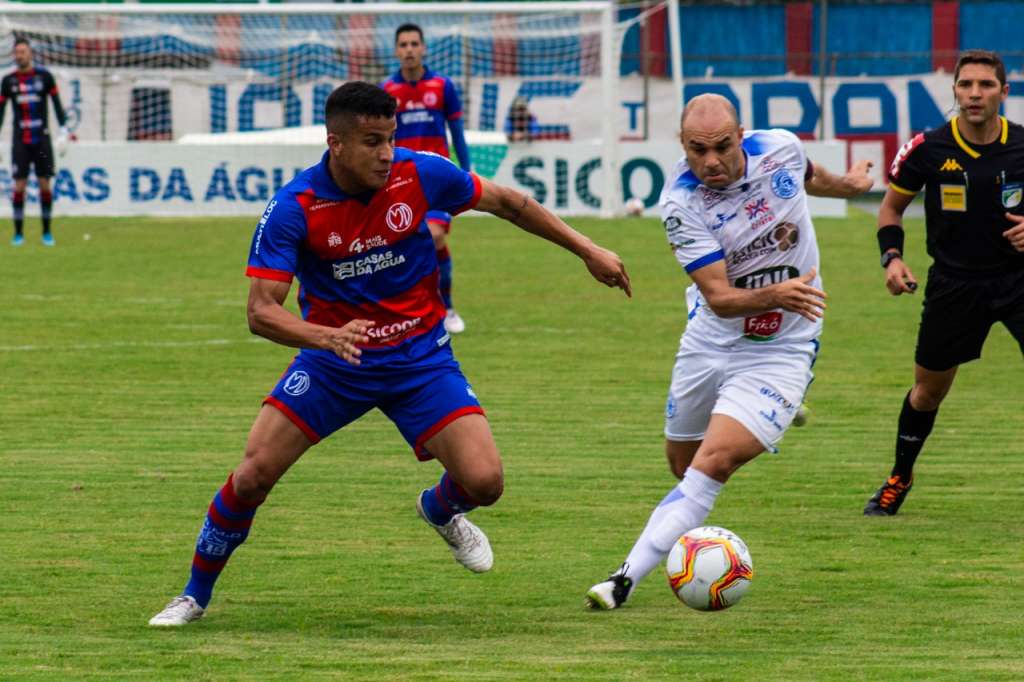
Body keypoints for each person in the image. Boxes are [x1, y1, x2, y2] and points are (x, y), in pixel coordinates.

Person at [148, 81, 630, 626]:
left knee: (486, 483)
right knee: (254, 474)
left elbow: (508, 203)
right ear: (336, 143)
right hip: (335, 365)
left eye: (390, 139)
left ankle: (440, 509)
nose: (385, 154)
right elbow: (261, 311)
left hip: (419, 360)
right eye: (372, 141)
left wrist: (587, 248)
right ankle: (193, 594)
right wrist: (324, 337)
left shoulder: (420, 173)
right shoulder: (294, 207)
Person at [585, 94, 873, 610]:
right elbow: (719, 300)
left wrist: (848, 186)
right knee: (682, 461)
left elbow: (809, 175)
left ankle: (621, 579)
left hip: (782, 345)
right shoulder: (680, 203)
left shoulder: (781, 147)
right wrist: (777, 293)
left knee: (712, 464)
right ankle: (772, 408)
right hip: (711, 339)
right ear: (682, 145)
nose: (711, 161)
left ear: (741, 134)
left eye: (721, 146)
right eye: (698, 150)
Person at [863, 49, 1024, 516]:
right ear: (954, 90)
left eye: (986, 85)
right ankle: (899, 477)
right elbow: (890, 209)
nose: (975, 94)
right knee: (928, 391)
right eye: (966, 85)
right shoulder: (928, 148)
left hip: (1017, 280)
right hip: (954, 284)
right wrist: (891, 259)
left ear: (1004, 92)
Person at [382, 23, 471, 334]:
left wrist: (466, 170)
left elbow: (457, 133)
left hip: (438, 179)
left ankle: (446, 308)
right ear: (396, 50)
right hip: (401, 180)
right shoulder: (387, 91)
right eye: (403, 44)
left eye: (413, 44)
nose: (408, 49)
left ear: (423, 48)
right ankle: (412, 311)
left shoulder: (442, 86)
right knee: (405, 246)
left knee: (434, 236)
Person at [0, 37, 71, 247]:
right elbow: (1, 112)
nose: (20, 55)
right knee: (19, 186)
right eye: (17, 52)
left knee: (44, 185)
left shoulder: (45, 77)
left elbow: (57, 105)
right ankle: (18, 234)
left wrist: (64, 131)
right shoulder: (8, 81)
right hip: (20, 141)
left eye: (23, 51)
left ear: (30, 53)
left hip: (42, 141)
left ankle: (47, 232)